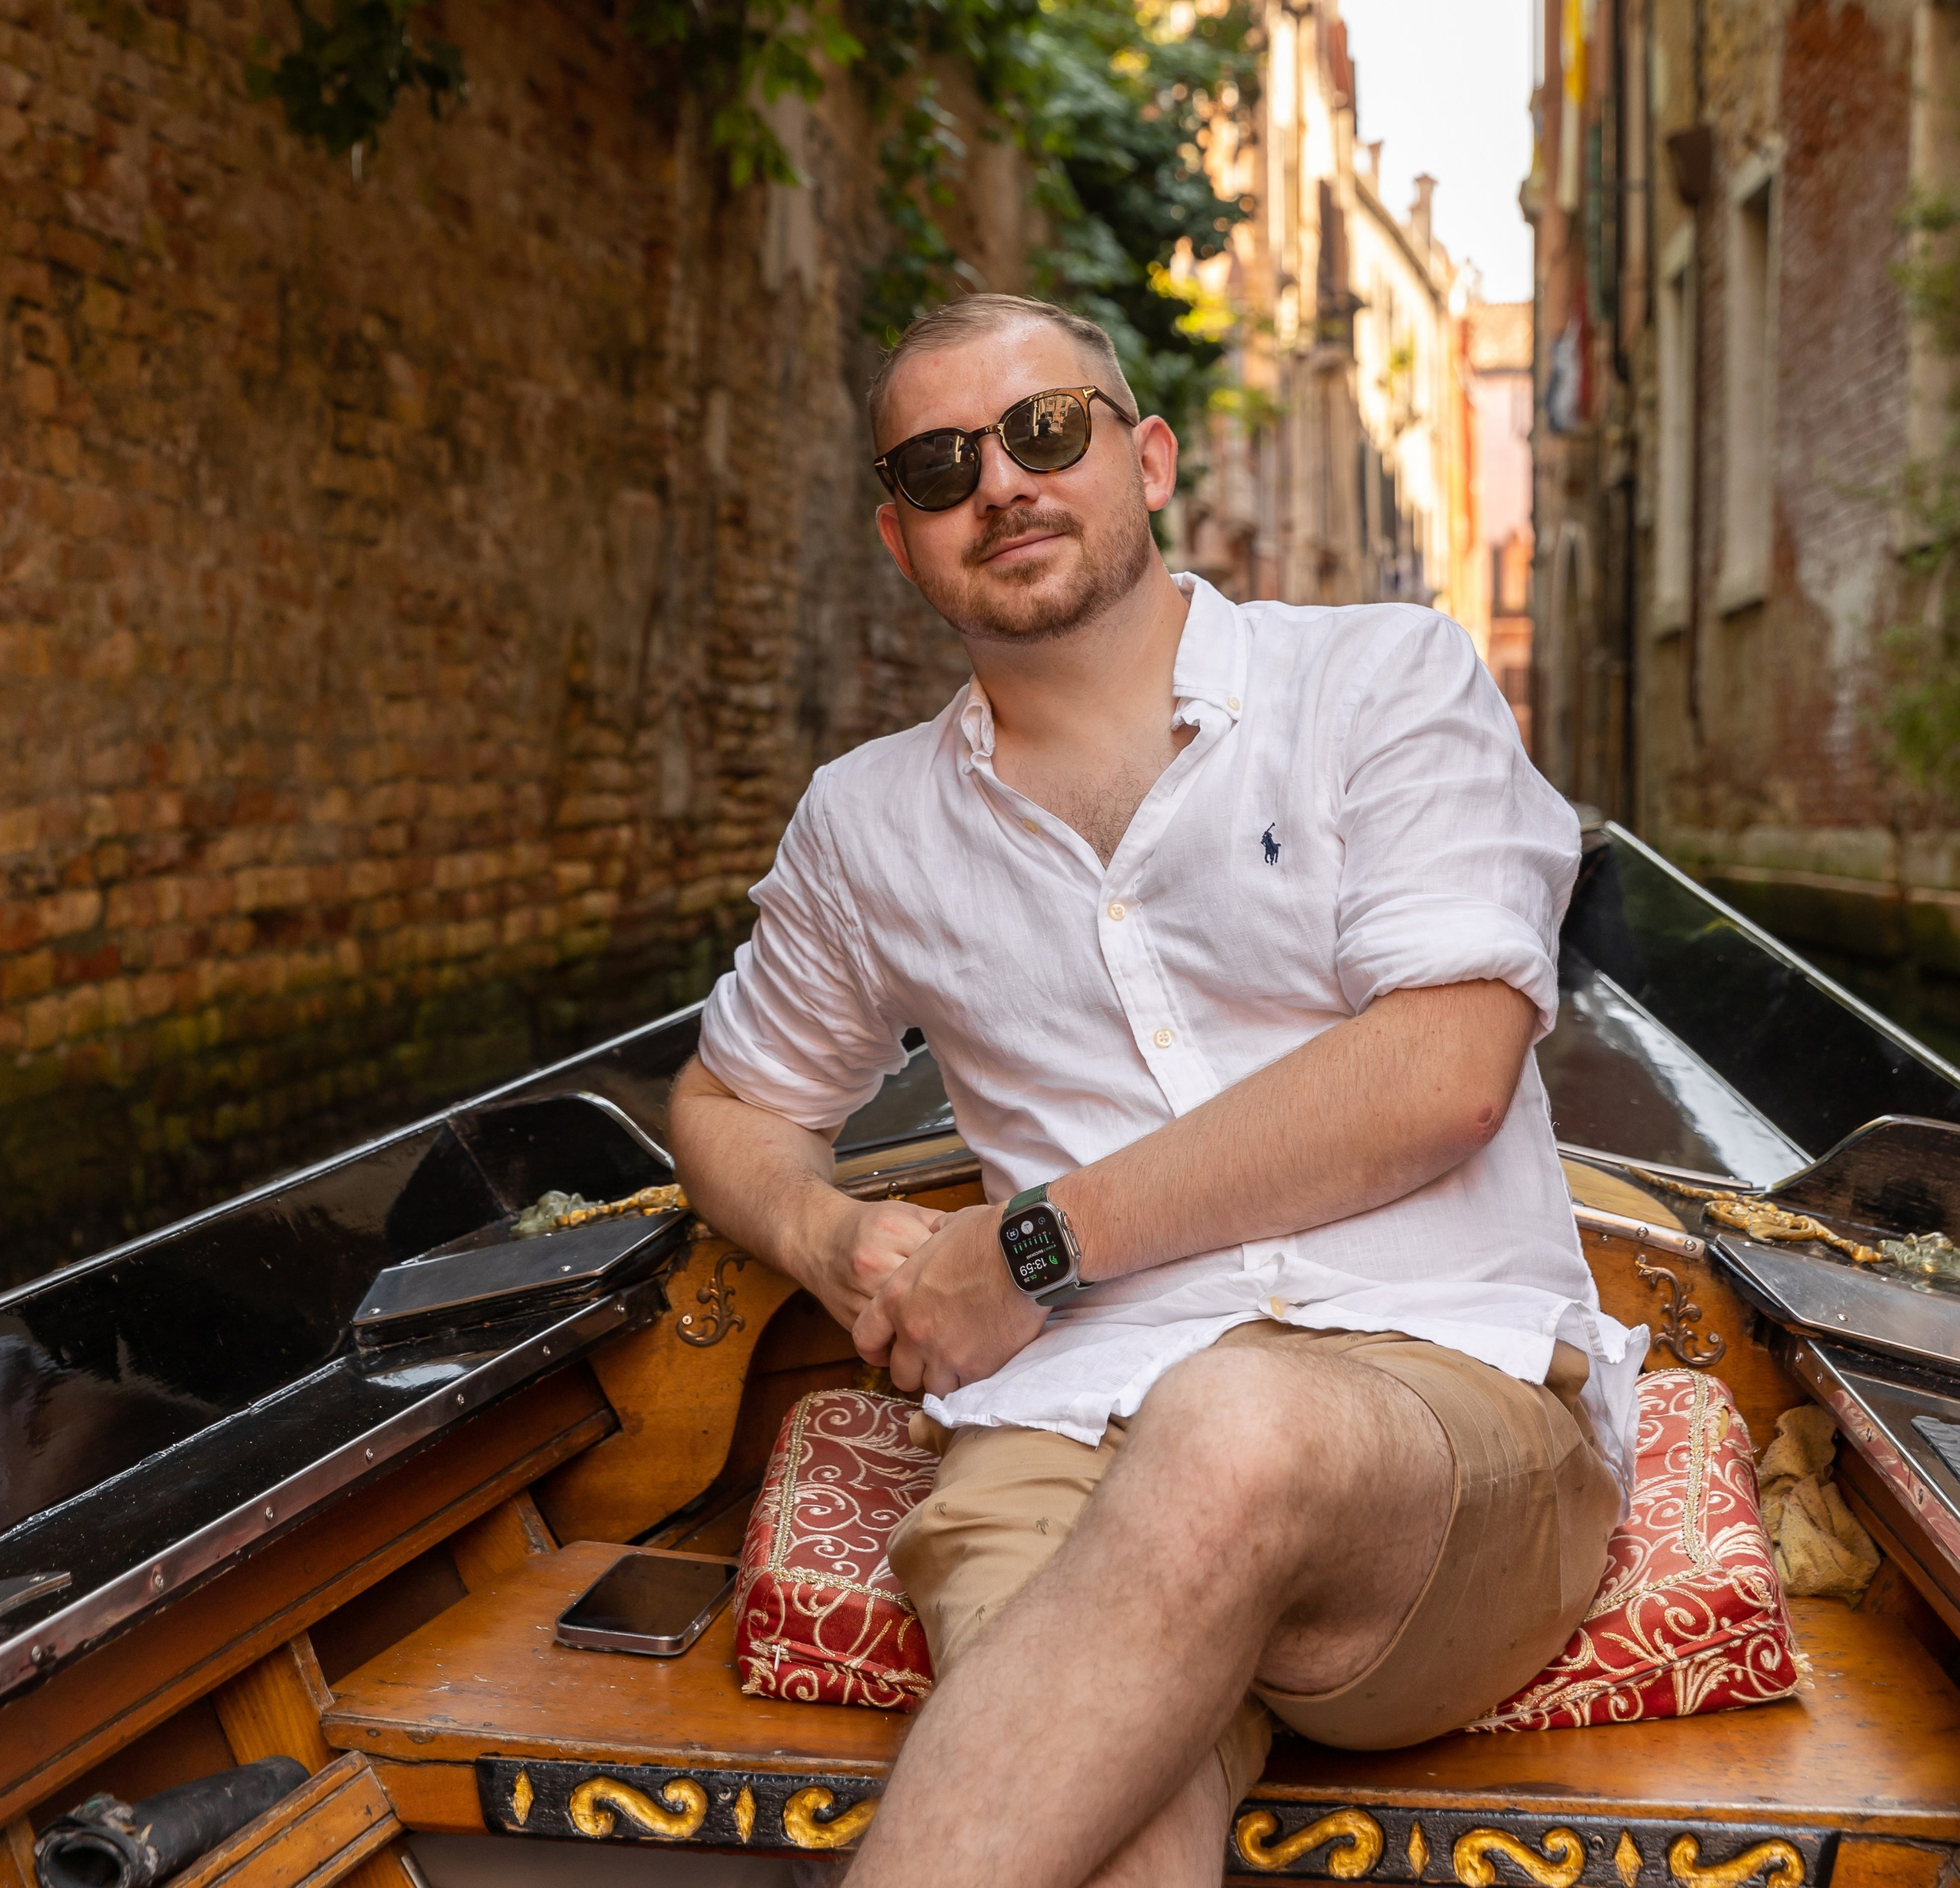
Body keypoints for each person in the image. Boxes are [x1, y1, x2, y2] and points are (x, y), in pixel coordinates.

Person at [669, 294, 1638, 1888]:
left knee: (1234, 1423)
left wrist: (1030, 1247)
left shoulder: (1380, 680)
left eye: (1044, 431)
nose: (1000, 483)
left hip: (1435, 1423)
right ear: (899, 539)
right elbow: (726, 1107)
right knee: (1105, 1836)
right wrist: (835, 1243)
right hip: (1050, 1433)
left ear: (1146, 457)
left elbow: (1444, 1074)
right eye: (937, 466)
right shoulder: (865, 825)